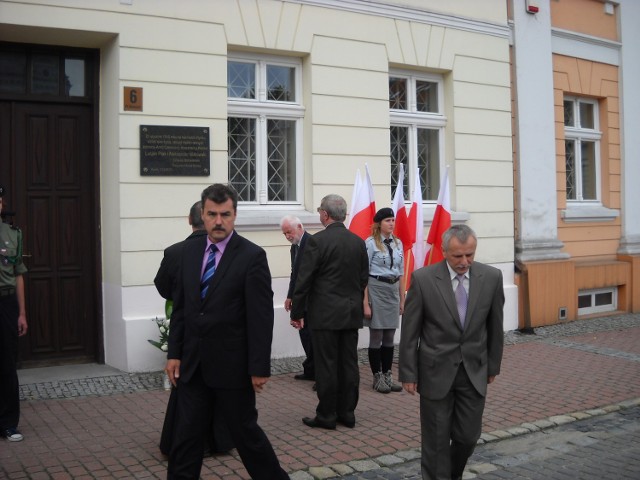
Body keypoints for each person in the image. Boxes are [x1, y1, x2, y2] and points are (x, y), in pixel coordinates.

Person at [165, 184, 288, 480]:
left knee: (246, 436)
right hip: (193, 367)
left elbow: (260, 318)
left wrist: (259, 367)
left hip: (233, 368)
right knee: (185, 438)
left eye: (225, 214)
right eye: (212, 214)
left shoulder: (251, 256)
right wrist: (174, 354)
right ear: (202, 215)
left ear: (234, 215)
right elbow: (182, 308)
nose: (218, 221)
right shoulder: (189, 251)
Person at [399, 224, 504, 480]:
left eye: (470, 254)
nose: (464, 261)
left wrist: (492, 366)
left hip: (473, 372)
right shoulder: (423, 279)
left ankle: (451, 474)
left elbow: (495, 326)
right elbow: (410, 332)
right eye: (458, 256)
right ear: (444, 251)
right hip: (435, 372)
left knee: (468, 437)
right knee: (435, 442)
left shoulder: (491, 277)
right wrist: (408, 373)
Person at [154, 200, 233, 457]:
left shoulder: (175, 252)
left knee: (188, 388)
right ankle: (219, 440)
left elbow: (164, 288)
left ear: (190, 220)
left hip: (187, 329)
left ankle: (183, 441)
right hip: (220, 331)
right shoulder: (231, 252)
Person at [291, 194, 368, 430]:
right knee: (348, 363)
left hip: (324, 314)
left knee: (326, 365)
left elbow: (305, 279)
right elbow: (364, 278)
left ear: (325, 214)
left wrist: (297, 311)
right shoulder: (358, 241)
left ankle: (326, 415)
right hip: (350, 312)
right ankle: (347, 413)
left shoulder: (317, 241)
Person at [363, 207, 405, 394]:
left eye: (393, 220)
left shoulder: (398, 243)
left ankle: (388, 373)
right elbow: (363, 274)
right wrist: (365, 302)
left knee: (390, 335)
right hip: (376, 288)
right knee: (377, 334)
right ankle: (377, 376)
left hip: (392, 290)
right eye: (388, 220)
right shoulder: (370, 243)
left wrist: (402, 299)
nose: (391, 223)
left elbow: (401, 273)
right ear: (379, 223)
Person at [0, 185, 28, 442]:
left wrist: (22, 313)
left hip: (6, 304)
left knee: (7, 364)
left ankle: (9, 423)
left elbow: (18, 274)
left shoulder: (12, 233)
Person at [279, 215, 315, 383]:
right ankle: (310, 368)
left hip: (313, 298)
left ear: (300, 227)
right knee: (304, 334)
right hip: (300, 298)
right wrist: (289, 296)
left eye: (289, 232)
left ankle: (319, 374)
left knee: (314, 336)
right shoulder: (294, 247)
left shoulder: (313, 243)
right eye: (285, 233)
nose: (288, 236)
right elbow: (295, 273)